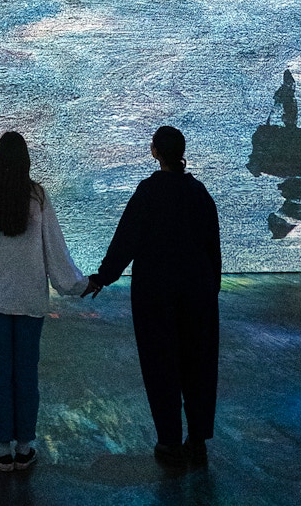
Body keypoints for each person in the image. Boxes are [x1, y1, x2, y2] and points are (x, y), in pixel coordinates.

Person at [82, 126, 221, 466]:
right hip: (198, 294)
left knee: (161, 365)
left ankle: (169, 441)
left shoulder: (148, 192)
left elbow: (127, 239)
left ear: (154, 152)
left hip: (155, 296)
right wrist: (211, 289)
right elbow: (213, 248)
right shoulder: (199, 193)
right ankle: (198, 439)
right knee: (198, 365)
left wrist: (103, 277)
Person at [0, 131, 87, 472]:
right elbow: (55, 251)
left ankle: (2, 448)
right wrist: (76, 284)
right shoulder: (38, 198)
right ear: (26, 163)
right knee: (26, 373)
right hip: (29, 299)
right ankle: (26, 446)